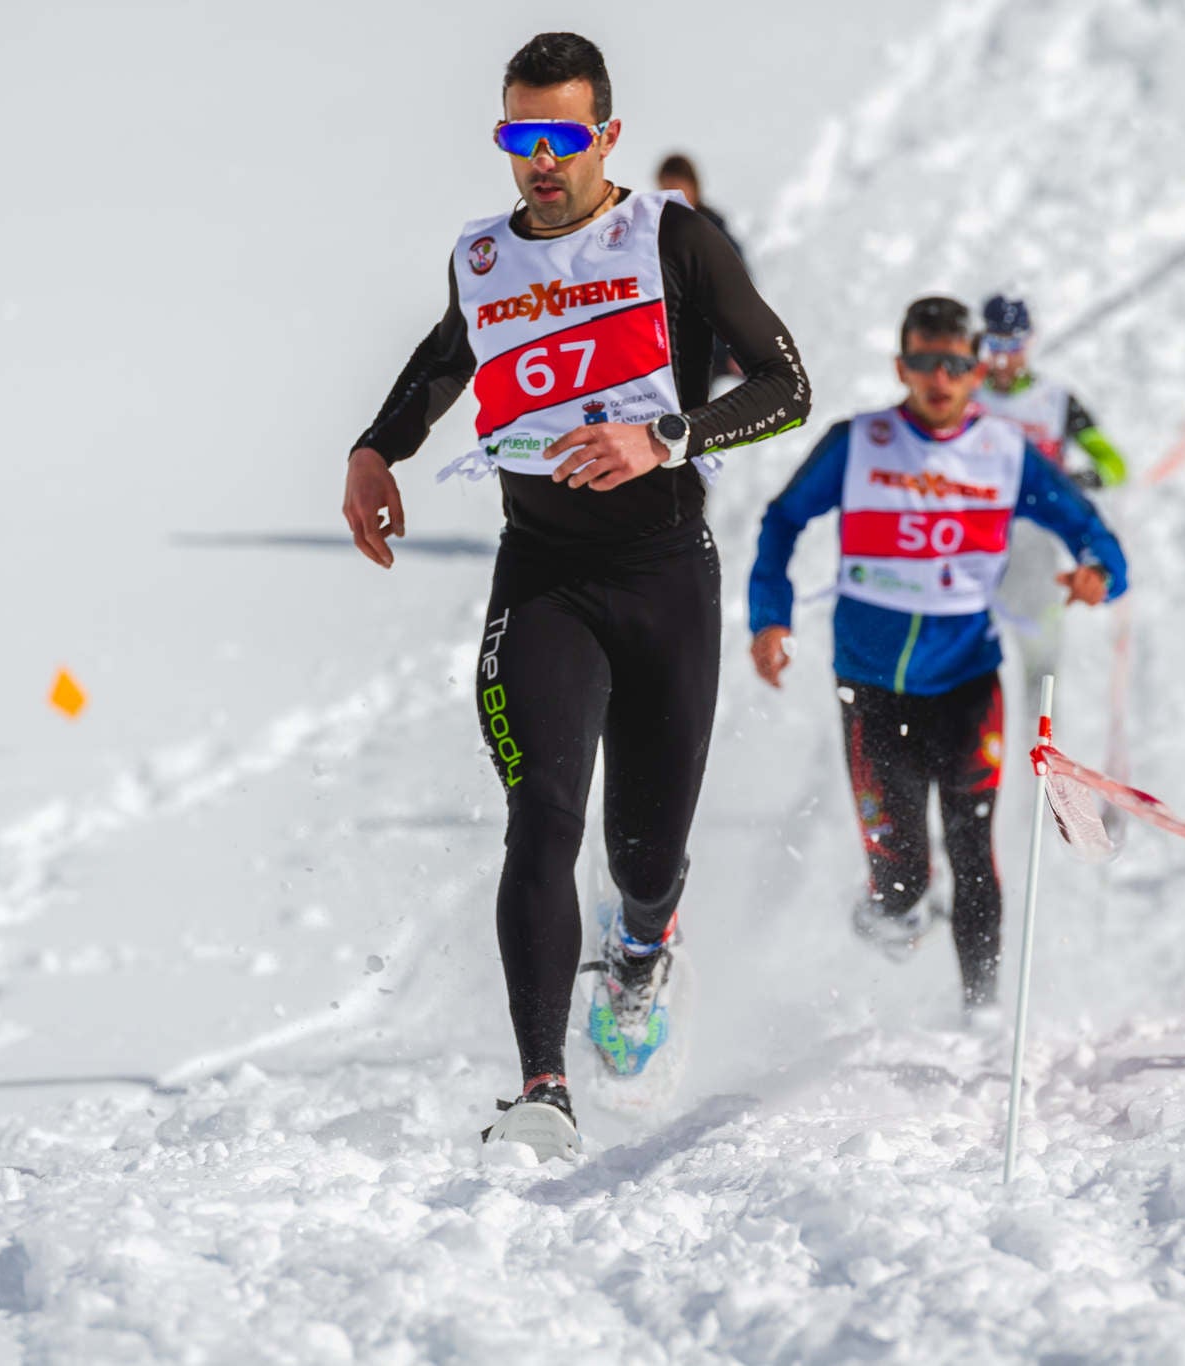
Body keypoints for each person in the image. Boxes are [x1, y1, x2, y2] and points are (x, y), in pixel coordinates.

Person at [342, 33, 810, 1158]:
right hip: (542, 575)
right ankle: (542, 1085)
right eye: (519, 137)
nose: (539, 161)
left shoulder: (670, 239)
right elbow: (449, 357)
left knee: (642, 858)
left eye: (561, 137)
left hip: (663, 580)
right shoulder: (483, 256)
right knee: (540, 818)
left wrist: (665, 435)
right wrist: (374, 449)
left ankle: (642, 948)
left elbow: (787, 386)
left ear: (606, 136)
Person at [745, 297, 1127, 1012]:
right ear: (902, 367)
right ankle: (891, 911)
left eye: (954, 365)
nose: (940, 379)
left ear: (976, 369)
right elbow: (783, 519)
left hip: (966, 683)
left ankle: (980, 1011)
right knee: (902, 879)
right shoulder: (858, 442)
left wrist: (1098, 574)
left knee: (974, 852)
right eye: (925, 362)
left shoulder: (1004, 453)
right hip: (869, 685)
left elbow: (1089, 529)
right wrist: (770, 617)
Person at [976, 294, 1133, 702]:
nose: (1004, 359)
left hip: (1036, 544)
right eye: (995, 345)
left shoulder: (1055, 400)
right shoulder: (966, 395)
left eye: (1013, 345)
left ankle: (1040, 750)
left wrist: (1073, 479)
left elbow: (1114, 465)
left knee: (1041, 662)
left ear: (1028, 342)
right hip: (978, 542)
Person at [657, 153, 747, 378]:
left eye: (677, 188)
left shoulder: (713, 233)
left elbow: (740, 293)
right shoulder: (657, 235)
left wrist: (740, 347)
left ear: (694, 187)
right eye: (665, 189)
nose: (671, 196)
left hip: (719, 349)